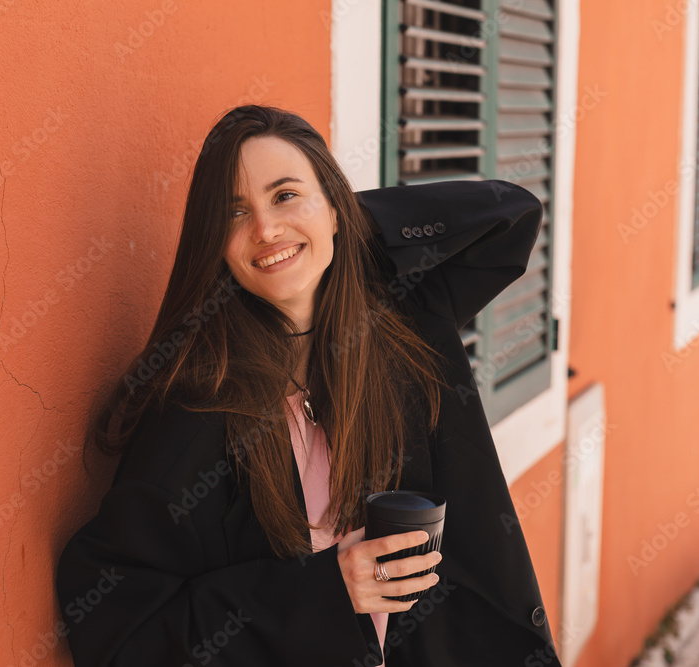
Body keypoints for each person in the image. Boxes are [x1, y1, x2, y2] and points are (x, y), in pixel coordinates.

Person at [55, 104, 562, 666]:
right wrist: (322, 591)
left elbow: (510, 215)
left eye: (285, 195)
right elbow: (115, 629)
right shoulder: (197, 409)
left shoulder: (403, 327)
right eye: (235, 212)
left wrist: (330, 220)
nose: (265, 229)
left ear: (335, 205)